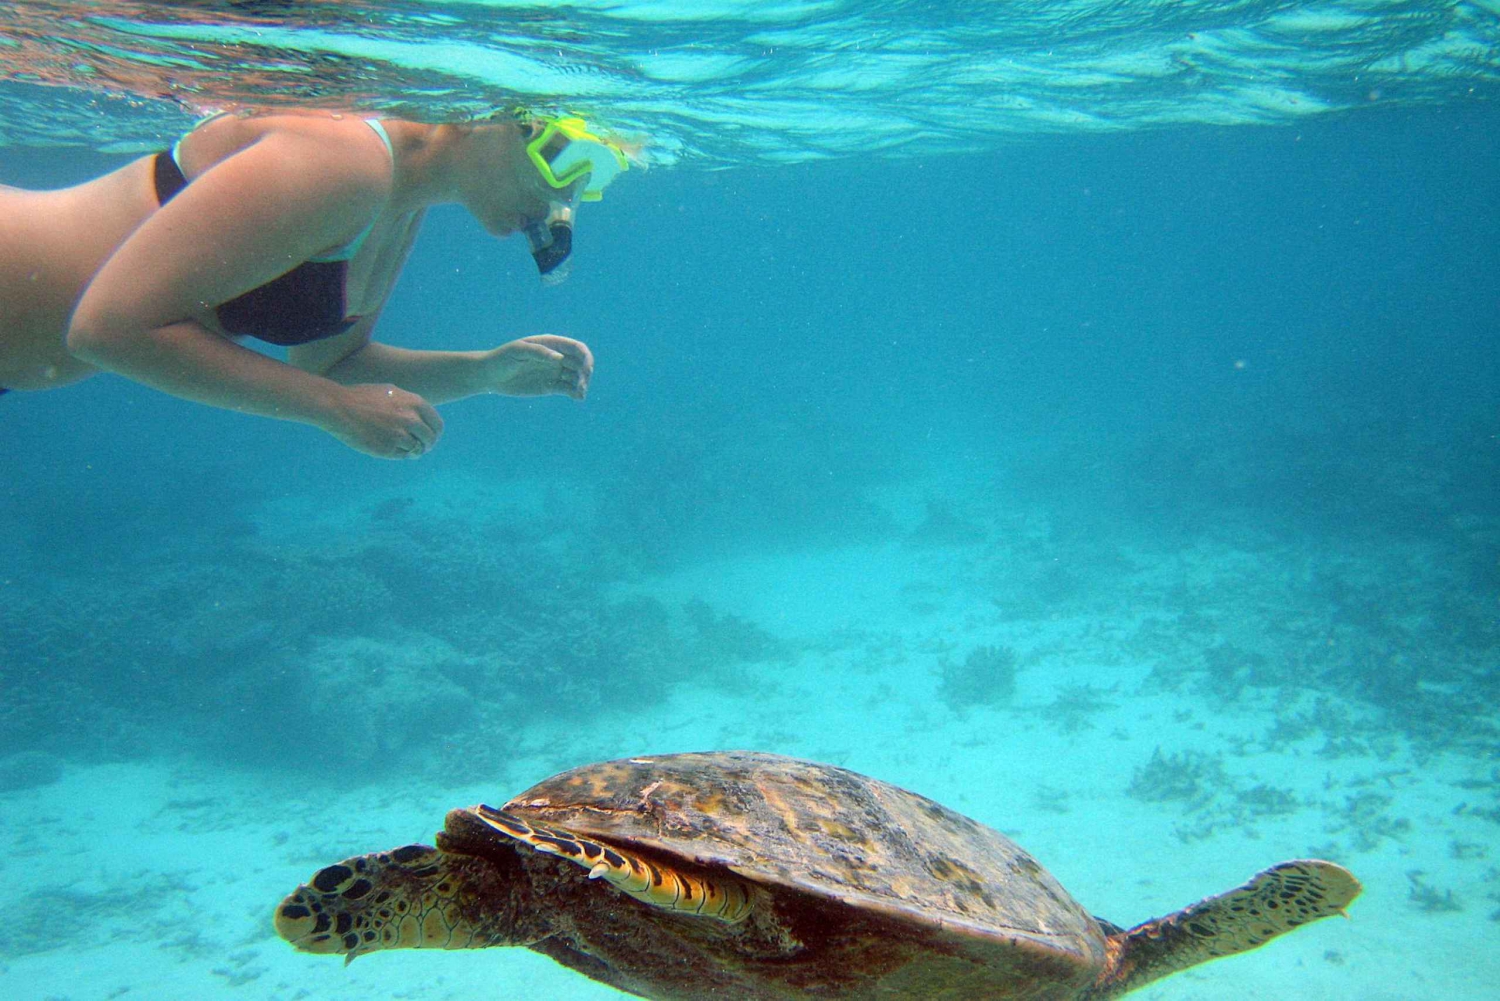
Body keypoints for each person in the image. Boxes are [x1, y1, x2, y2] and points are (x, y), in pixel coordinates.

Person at [0, 110, 628, 458]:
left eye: (591, 179)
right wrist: (330, 411)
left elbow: (335, 365)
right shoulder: (348, 163)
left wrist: (485, 372)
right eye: (563, 158)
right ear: (500, 118)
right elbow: (106, 329)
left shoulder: (400, 205)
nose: (563, 196)